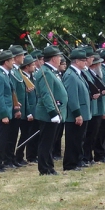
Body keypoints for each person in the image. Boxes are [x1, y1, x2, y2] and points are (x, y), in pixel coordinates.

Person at [35, 46, 67, 175]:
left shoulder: (51, 71)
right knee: (46, 142)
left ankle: (49, 166)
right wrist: (52, 112)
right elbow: (46, 94)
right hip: (48, 113)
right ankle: (45, 168)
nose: (60, 59)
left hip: (55, 111)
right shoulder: (46, 73)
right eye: (59, 57)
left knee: (50, 142)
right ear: (54, 58)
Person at [0, 47, 19, 172]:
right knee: (0, 139)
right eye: (12, 60)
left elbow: (7, 94)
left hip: (7, 111)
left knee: (5, 139)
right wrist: (3, 114)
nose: (13, 62)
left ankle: (0, 162)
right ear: (6, 62)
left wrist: (15, 104)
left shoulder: (6, 74)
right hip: (3, 113)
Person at [61, 47, 90, 171]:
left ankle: (78, 160)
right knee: (73, 139)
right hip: (75, 114)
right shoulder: (71, 75)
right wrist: (77, 114)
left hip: (82, 112)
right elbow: (72, 97)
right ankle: (70, 164)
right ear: (77, 61)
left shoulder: (77, 74)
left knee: (79, 139)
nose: (86, 62)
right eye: (83, 60)